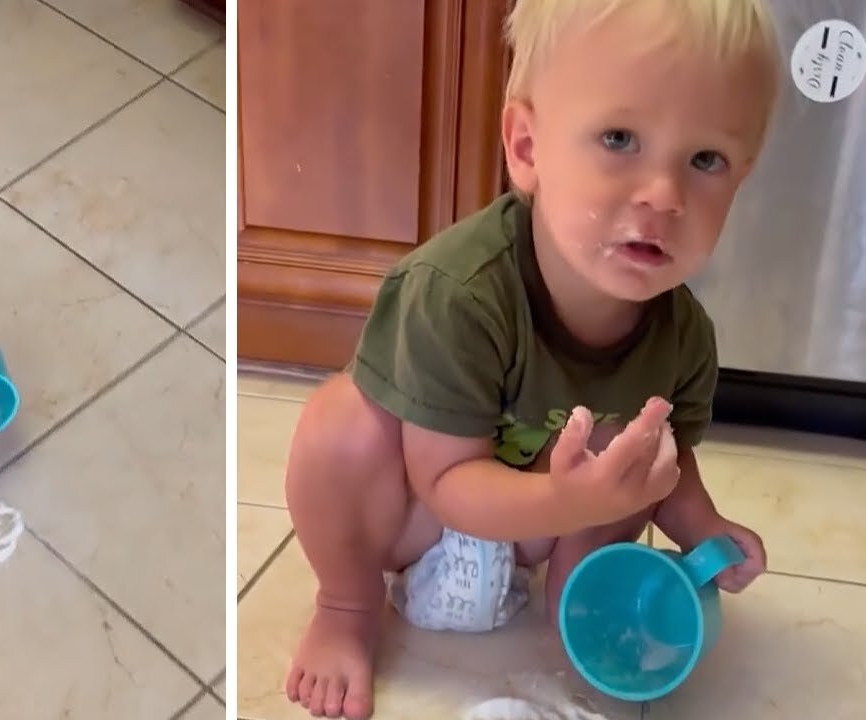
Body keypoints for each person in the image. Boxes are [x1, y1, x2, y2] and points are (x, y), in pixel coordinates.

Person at [281, 1, 782, 717]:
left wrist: (703, 527)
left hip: (538, 531)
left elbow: (671, 463)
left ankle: (569, 602)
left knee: (637, 447)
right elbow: (445, 476)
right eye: (619, 137)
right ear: (525, 147)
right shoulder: (457, 292)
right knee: (340, 426)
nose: (663, 195)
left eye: (706, 159)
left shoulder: (685, 336)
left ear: (742, 177)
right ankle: (346, 607)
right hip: (422, 508)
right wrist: (568, 499)